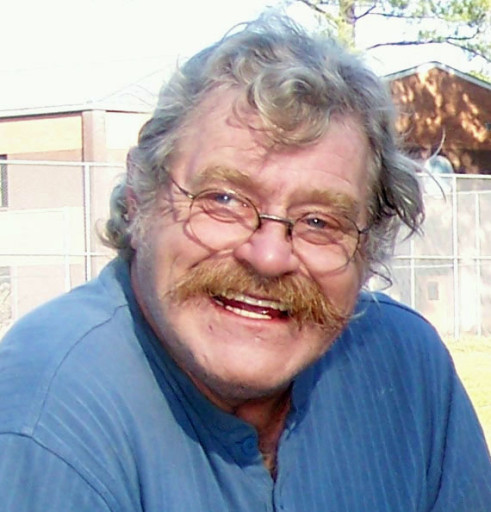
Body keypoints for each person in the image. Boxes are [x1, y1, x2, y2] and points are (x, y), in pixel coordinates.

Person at [0, 13, 490, 512]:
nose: (270, 256)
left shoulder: (405, 368)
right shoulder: (47, 416)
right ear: (139, 198)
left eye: (319, 221)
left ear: (370, 248)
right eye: (224, 200)